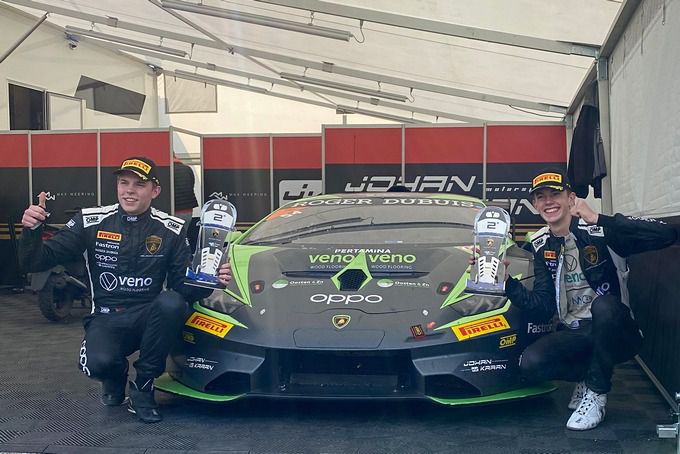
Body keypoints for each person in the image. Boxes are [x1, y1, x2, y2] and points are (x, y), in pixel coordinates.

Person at [20, 156, 233, 424]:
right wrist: (31, 231)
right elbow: (36, 262)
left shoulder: (172, 228)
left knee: (172, 302)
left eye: (139, 184)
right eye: (124, 183)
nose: (129, 191)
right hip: (107, 317)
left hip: (149, 317)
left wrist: (209, 281)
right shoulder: (90, 220)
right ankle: (115, 374)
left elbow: (182, 287)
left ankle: (143, 387)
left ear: (155, 191)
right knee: (96, 365)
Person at [502, 168, 676, 430]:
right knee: (531, 364)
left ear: (571, 198)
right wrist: (507, 283)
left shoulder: (600, 230)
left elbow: (667, 235)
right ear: (535, 205)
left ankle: (596, 392)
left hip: (619, 332)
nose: (548, 201)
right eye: (541, 197)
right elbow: (543, 307)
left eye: (555, 194)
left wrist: (601, 218)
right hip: (577, 332)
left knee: (603, 305)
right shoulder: (540, 244)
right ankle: (585, 375)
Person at [173, 154, 199, 237]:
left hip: (173, 210)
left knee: (173, 238)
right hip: (188, 210)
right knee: (183, 236)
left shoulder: (167, 170)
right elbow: (192, 185)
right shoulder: (187, 169)